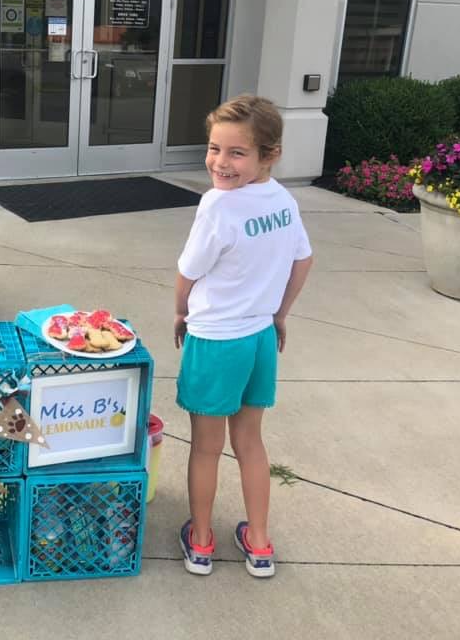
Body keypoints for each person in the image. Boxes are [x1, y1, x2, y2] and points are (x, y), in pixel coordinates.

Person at [174, 94, 313, 579]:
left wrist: (179, 312)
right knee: (251, 442)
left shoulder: (218, 205)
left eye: (237, 153)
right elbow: (303, 260)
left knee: (207, 447)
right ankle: (258, 544)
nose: (220, 162)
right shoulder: (282, 199)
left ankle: (203, 541)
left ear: (267, 155)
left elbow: (188, 272)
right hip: (258, 339)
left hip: (216, 340)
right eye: (214, 148)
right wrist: (279, 314)